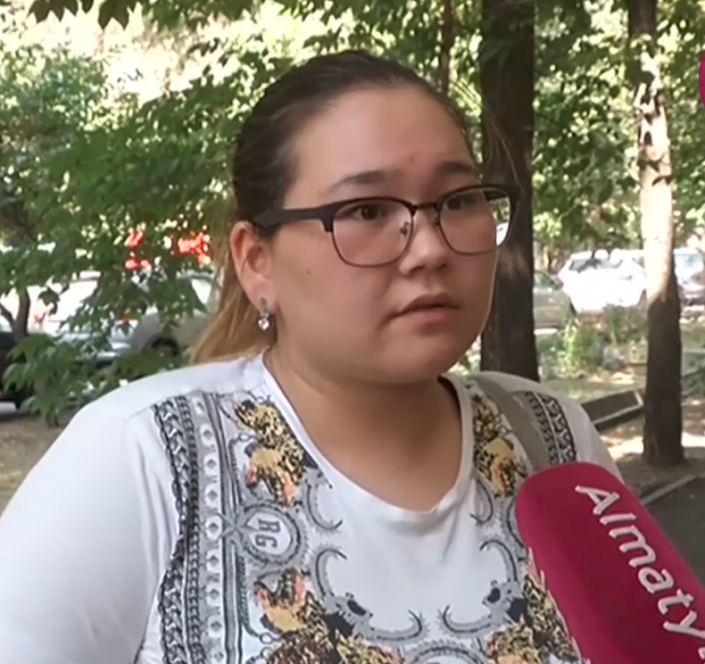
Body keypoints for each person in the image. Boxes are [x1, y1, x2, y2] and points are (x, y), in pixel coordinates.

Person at [0, 50, 620, 664]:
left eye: (458, 201)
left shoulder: (552, 441)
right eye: (367, 210)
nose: (430, 248)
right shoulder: (143, 457)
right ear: (256, 262)